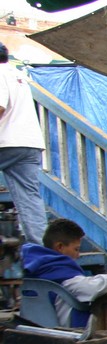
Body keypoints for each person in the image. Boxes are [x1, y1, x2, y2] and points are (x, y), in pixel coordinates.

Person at [21, 218, 107, 327]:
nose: (78, 255)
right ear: (60, 247)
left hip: (34, 331)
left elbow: (79, 282)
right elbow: (89, 288)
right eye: (76, 249)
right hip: (65, 335)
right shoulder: (61, 272)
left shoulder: (35, 267)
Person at [0, 41, 48, 245]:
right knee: (30, 199)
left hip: (6, 141)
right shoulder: (17, 73)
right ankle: (43, 251)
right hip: (30, 143)